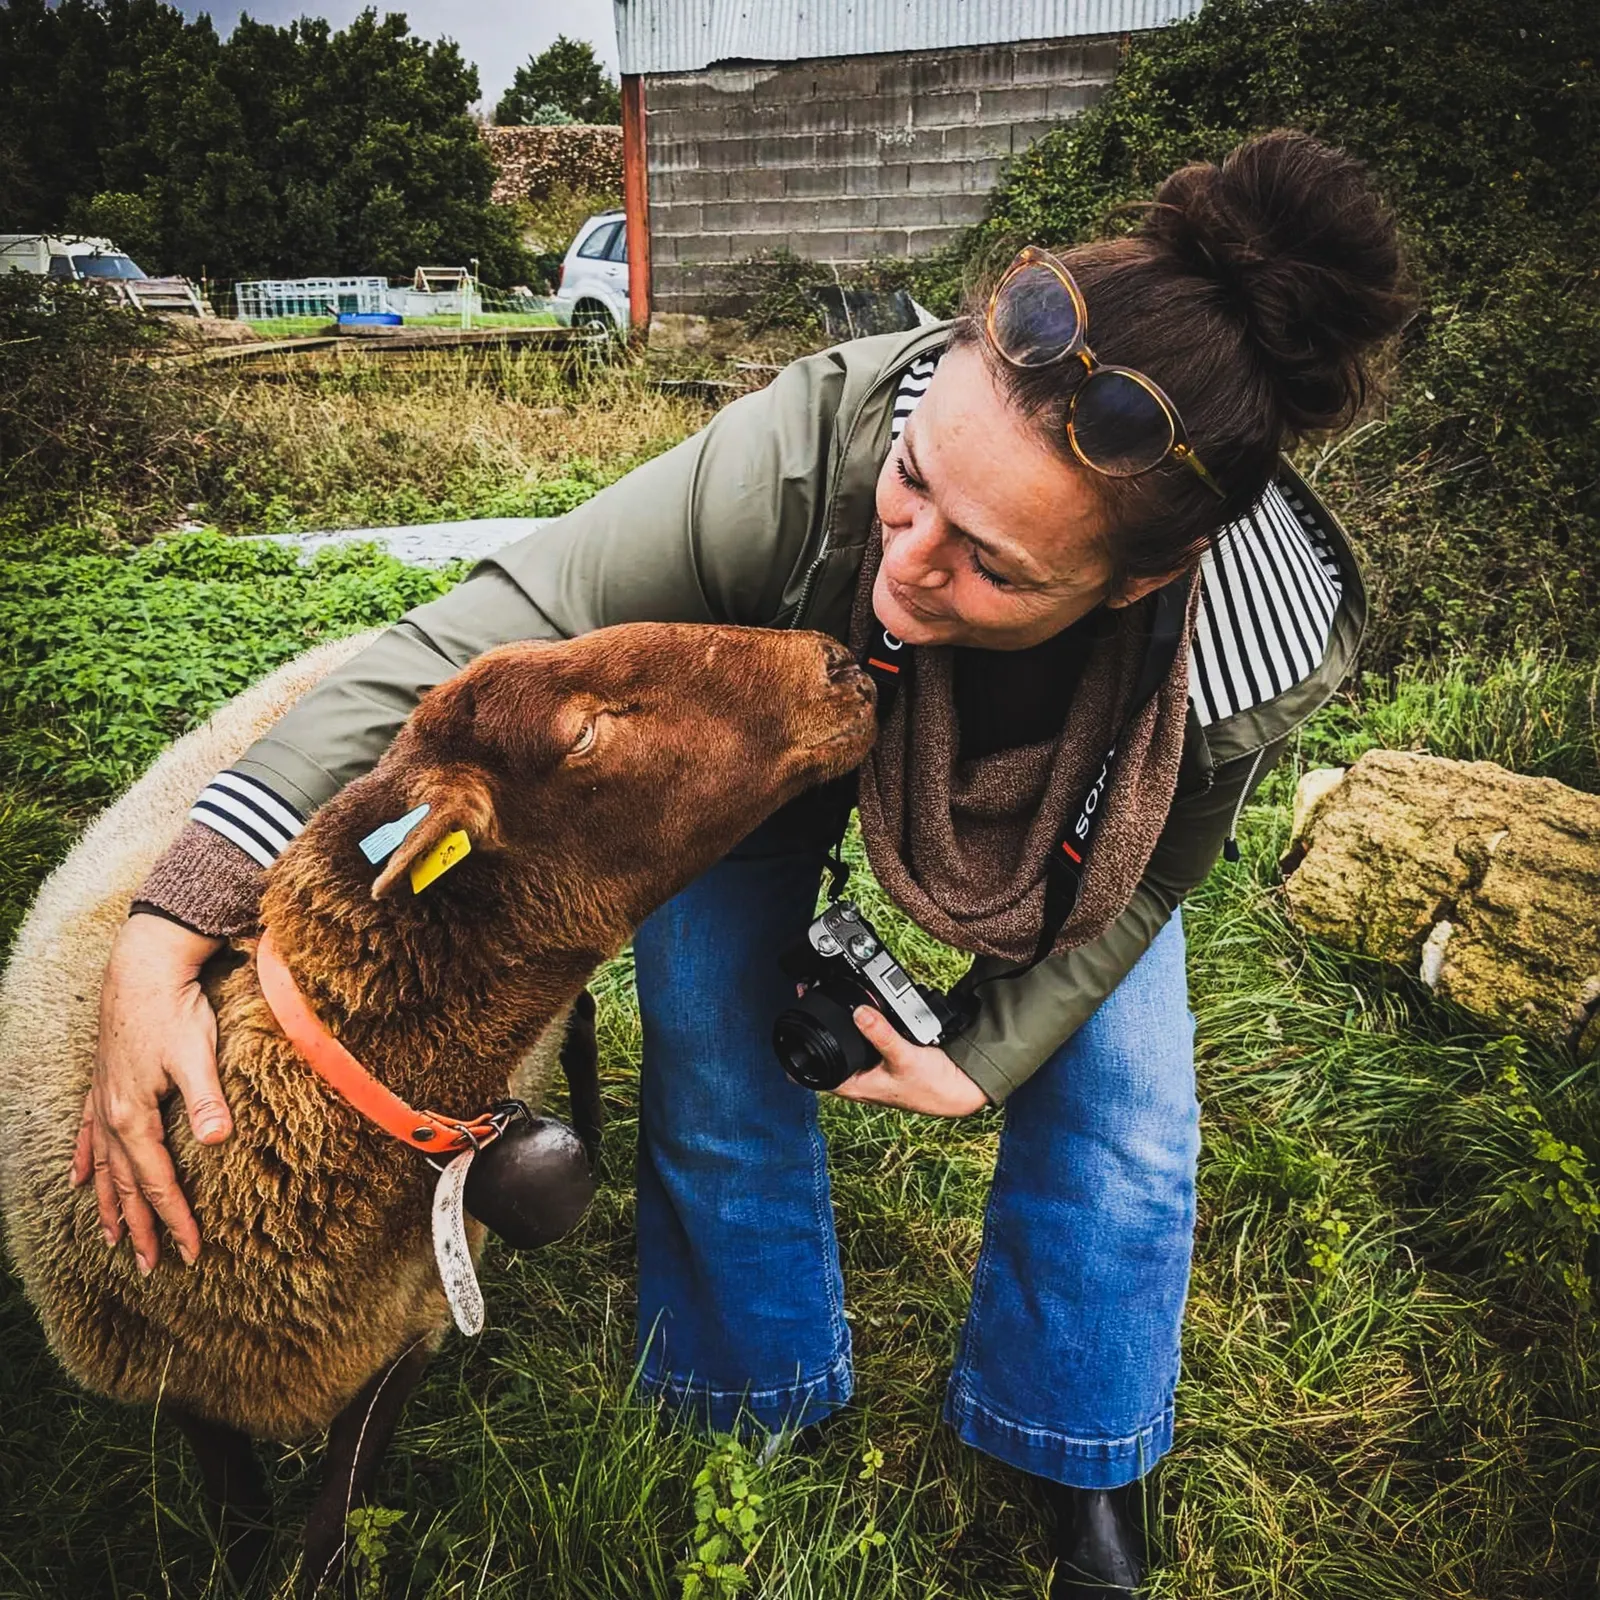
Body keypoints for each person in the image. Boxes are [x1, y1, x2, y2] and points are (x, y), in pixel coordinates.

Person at [77, 130, 1407, 1596]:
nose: (908, 564)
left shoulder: (1245, 650)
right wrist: (172, 914)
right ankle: (747, 1394)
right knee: (711, 1030)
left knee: (1129, 1108)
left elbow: (1147, 881)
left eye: (994, 564)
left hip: (1075, 826)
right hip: (756, 739)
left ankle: (1076, 1439)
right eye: (913, 484)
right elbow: (475, 641)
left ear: (1140, 579)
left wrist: (986, 1056)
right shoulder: (813, 447)